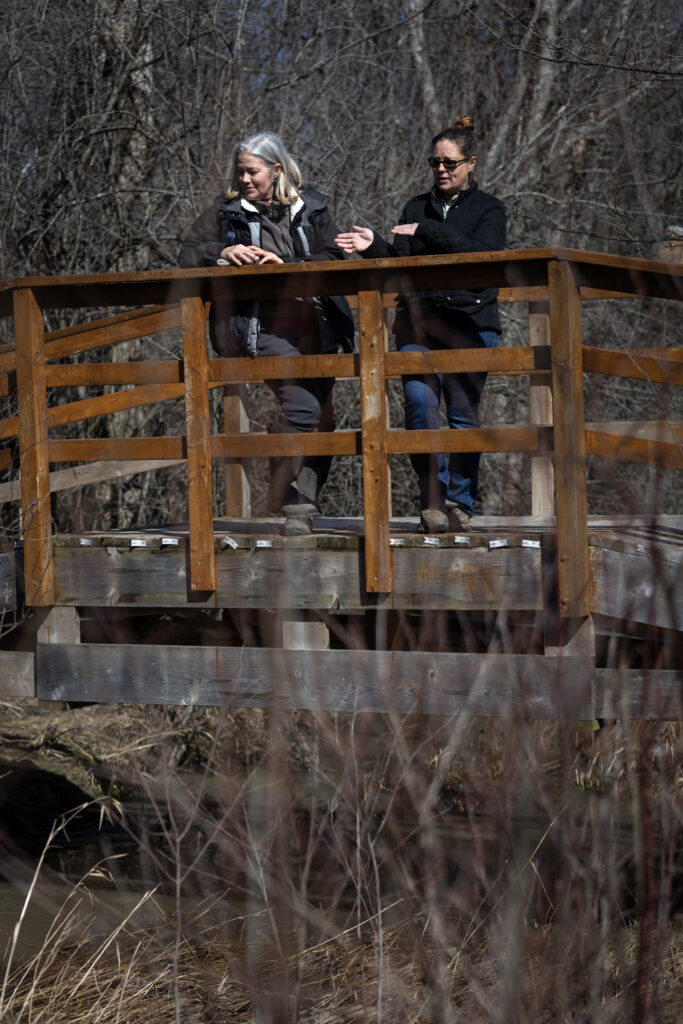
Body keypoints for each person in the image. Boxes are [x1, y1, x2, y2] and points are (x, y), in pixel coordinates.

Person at [335, 116, 506, 533]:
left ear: (471, 163)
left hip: (470, 324)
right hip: (418, 326)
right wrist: (374, 245)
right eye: (434, 163)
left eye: (449, 162)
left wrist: (427, 229)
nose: (441, 170)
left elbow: (482, 256)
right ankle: (432, 498)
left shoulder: (490, 210)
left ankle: (460, 501)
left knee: (464, 416)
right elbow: (402, 264)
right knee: (419, 404)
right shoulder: (414, 206)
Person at [179, 131, 353, 535]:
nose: (244, 180)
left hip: (316, 324)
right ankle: (280, 491)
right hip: (263, 326)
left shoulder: (312, 207)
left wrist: (290, 264)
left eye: (252, 172)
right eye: (239, 172)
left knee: (325, 417)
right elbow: (186, 251)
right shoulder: (226, 212)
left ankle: (300, 503)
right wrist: (220, 252)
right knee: (303, 409)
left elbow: (336, 255)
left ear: (277, 170)